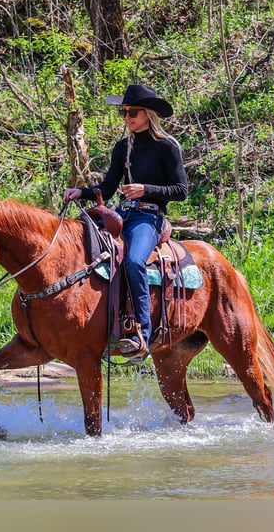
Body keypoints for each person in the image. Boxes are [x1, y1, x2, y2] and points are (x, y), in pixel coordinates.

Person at [63, 84, 188, 362]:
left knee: (133, 261)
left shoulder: (167, 147)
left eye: (132, 112)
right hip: (122, 215)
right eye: (124, 113)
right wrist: (80, 193)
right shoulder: (123, 148)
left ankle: (141, 331)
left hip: (149, 217)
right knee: (84, 256)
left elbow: (181, 190)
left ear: (148, 114)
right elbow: (107, 188)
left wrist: (146, 189)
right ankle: (97, 324)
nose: (127, 117)